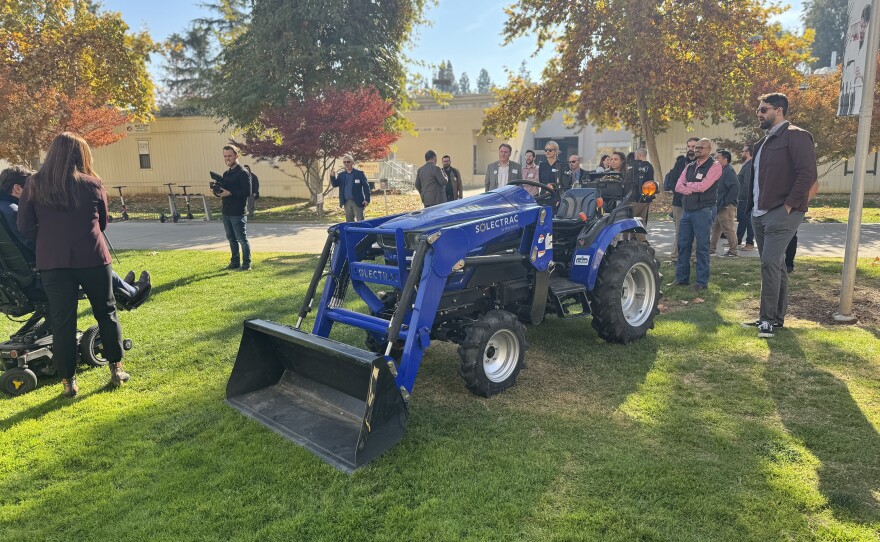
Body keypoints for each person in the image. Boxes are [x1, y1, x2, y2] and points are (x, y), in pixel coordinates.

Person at [16, 133, 129, 397]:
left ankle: (68, 382)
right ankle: (116, 368)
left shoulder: (34, 184)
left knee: (62, 321)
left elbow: (25, 226)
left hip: (53, 263)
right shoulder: (92, 183)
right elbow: (102, 224)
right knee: (107, 313)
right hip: (92, 257)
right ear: (82, 155)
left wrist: (46, 243)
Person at [0, 167, 151, 310]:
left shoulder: (4, 208)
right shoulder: (14, 212)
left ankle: (122, 288)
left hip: (15, 281)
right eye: (32, 189)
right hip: (37, 279)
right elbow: (35, 243)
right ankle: (129, 293)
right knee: (87, 255)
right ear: (17, 189)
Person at [744, 93, 818, 338]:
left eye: (763, 109)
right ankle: (776, 318)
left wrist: (789, 206)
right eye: (758, 109)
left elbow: (807, 175)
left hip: (782, 212)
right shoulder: (762, 143)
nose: (759, 113)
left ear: (779, 110)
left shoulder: (796, 136)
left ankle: (766, 319)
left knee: (769, 263)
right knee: (775, 265)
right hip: (759, 212)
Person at [673, 138, 721, 291]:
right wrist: (689, 187)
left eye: (700, 147)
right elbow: (677, 186)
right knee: (683, 245)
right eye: (695, 147)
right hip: (687, 211)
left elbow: (704, 186)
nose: (697, 150)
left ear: (709, 149)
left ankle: (701, 282)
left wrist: (688, 185)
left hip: (703, 210)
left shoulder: (715, 166)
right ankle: (681, 279)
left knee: (702, 247)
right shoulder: (689, 166)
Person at [217, 145, 253, 271]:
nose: (227, 158)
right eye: (225, 156)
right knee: (231, 238)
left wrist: (230, 192)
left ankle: (246, 264)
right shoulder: (226, 174)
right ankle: (235, 262)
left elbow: (247, 192)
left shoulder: (243, 173)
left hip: (238, 213)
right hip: (226, 211)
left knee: (241, 239)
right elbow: (224, 191)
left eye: (230, 156)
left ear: (237, 156)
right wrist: (217, 191)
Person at [664, 137, 699, 261]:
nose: (691, 149)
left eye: (694, 147)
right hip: (679, 202)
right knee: (680, 230)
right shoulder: (680, 163)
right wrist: (684, 192)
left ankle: (693, 256)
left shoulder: (703, 164)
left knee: (695, 230)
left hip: (696, 203)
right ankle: (676, 255)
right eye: (689, 146)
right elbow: (673, 181)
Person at [709, 149, 740, 257]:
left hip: (726, 206)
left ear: (725, 159)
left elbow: (735, 187)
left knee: (728, 229)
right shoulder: (721, 170)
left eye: (717, 158)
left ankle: (733, 252)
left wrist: (727, 202)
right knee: (715, 227)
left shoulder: (729, 171)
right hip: (719, 205)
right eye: (715, 157)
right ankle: (711, 250)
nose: (715, 159)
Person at [329, 154, 370, 221]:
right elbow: (335, 185)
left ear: (352, 163)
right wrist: (332, 177)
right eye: (344, 162)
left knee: (360, 221)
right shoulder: (341, 175)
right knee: (349, 222)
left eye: (348, 162)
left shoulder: (359, 174)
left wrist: (367, 199)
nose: (346, 163)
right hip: (346, 202)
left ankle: (361, 232)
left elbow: (366, 187)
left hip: (358, 202)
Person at [736, 144, 755, 251]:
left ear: (747, 153)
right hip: (743, 197)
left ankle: (750, 242)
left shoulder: (749, 166)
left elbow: (747, 184)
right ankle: (737, 240)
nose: (741, 153)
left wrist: (742, 197)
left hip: (746, 198)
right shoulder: (746, 165)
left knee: (748, 220)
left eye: (743, 151)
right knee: (742, 220)